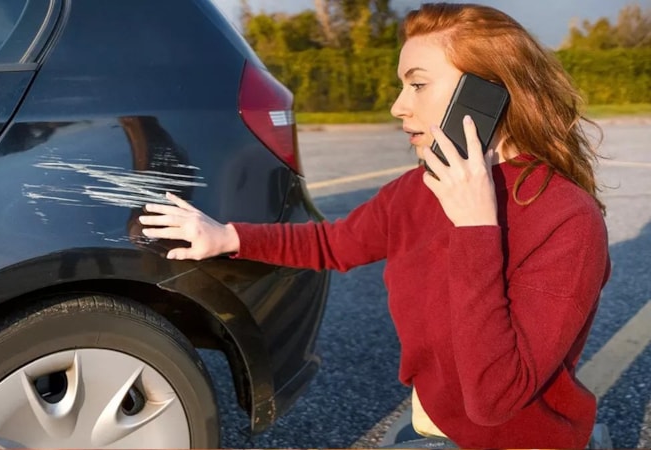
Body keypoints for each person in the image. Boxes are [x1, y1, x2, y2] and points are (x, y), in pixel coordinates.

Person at [139, 2, 611, 448]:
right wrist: (228, 236)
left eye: (418, 84)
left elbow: (496, 398)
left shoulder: (566, 218)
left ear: (486, 94)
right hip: (435, 418)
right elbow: (335, 244)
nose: (397, 106)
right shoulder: (415, 189)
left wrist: (476, 228)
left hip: (519, 437)